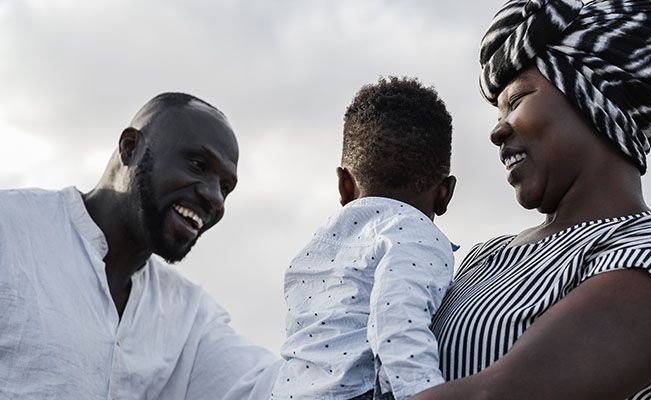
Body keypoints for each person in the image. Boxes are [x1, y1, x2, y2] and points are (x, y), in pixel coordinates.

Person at [413, 0, 651, 399]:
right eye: (497, 115)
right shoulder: (480, 259)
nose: (498, 132)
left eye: (517, 100)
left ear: (592, 98)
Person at [0, 93, 279, 399]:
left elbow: (269, 388)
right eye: (198, 165)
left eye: (225, 188)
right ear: (130, 148)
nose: (215, 198)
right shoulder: (12, 228)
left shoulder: (189, 316)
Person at [271, 77, 458, 400]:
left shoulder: (317, 248)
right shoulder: (415, 234)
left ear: (344, 184)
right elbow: (398, 321)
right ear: (444, 193)